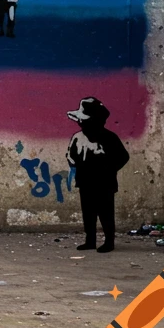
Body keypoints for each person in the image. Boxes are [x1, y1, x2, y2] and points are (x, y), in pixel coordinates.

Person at [65, 96, 129, 253]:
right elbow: (70, 156)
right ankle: (90, 241)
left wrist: (108, 169)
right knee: (88, 214)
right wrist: (77, 164)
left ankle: (109, 242)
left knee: (106, 213)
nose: (82, 123)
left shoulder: (109, 138)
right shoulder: (77, 138)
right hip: (85, 182)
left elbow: (123, 157)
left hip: (104, 184)